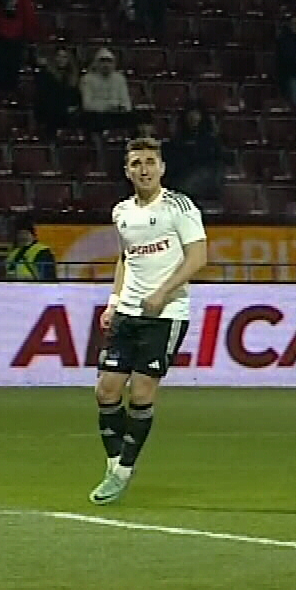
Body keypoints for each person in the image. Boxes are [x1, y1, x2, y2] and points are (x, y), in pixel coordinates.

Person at [90, 139, 209, 506]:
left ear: (162, 167)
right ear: (127, 171)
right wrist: (113, 301)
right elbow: (126, 258)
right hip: (127, 313)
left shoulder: (180, 207)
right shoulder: (122, 212)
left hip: (165, 314)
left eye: (150, 162)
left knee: (141, 395)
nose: (144, 169)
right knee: (106, 392)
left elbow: (198, 256)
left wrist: (162, 293)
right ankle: (117, 467)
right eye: (136, 163)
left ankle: (123, 470)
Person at [5, 214, 57, 280]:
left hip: (33, 289)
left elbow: (48, 278)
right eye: (20, 233)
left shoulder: (42, 251)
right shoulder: (13, 252)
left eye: (25, 233)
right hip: (14, 288)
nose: (22, 236)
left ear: (33, 234)